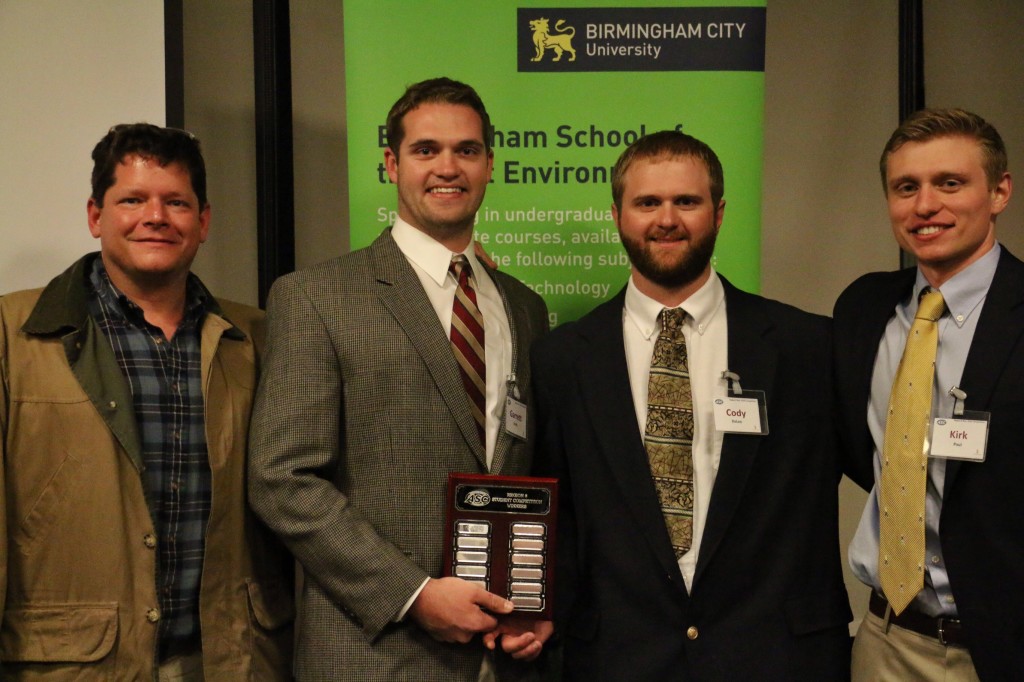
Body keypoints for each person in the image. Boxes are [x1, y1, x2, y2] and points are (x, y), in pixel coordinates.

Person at [248, 77, 550, 680]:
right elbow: (281, 480)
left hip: (501, 655)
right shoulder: (318, 297)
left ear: (490, 165)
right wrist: (413, 593)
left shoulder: (523, 307)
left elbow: (525, 473)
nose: (448, 167)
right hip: (374, 653)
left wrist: (534, 604)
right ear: (391, 164)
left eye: (467, 150)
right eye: (425, 150)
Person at [530, 130, 852, 680]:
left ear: (719, 212)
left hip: (776, 655)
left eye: (687, 201)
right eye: (647, 202)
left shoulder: (806, 346)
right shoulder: (561, 360)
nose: (667, 219)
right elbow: (557, 515)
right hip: (618, 657)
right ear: (617, 215)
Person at [0, 123, 294, 680]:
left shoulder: (257, 336)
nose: (155, 216)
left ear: (202, 221)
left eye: (176, 202)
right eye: (132, 199)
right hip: (69, 666)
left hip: (232, 660)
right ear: (96, 216)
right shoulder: (12, 334)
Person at [835, 108, 1022, 680]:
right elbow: (864, 457)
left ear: (999, 192)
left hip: (998, 649)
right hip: (882, 641)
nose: (925, 206)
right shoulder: (863, 309)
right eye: (906, 188)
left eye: (950, 183)